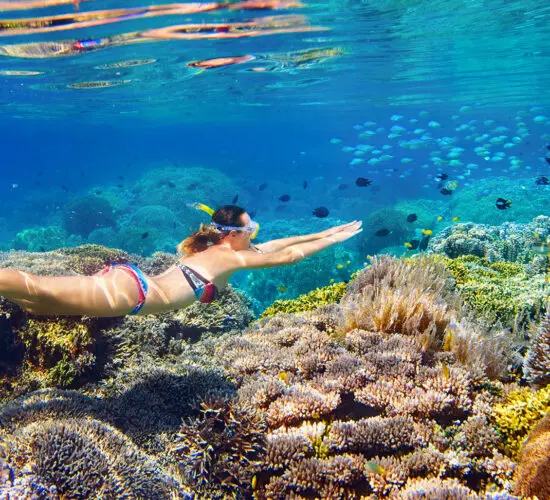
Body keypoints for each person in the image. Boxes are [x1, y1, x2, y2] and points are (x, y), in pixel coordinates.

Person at [0, 205, 362, 318]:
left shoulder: (219, 249)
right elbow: (288, 257)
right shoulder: (231, 259)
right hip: (133, 294)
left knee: (36, 303)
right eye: (250, 226)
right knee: (36, 287)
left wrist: (326, 232)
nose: (256, 230)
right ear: (231, 233)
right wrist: (335, 240)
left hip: (131, 283)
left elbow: (278, 244)